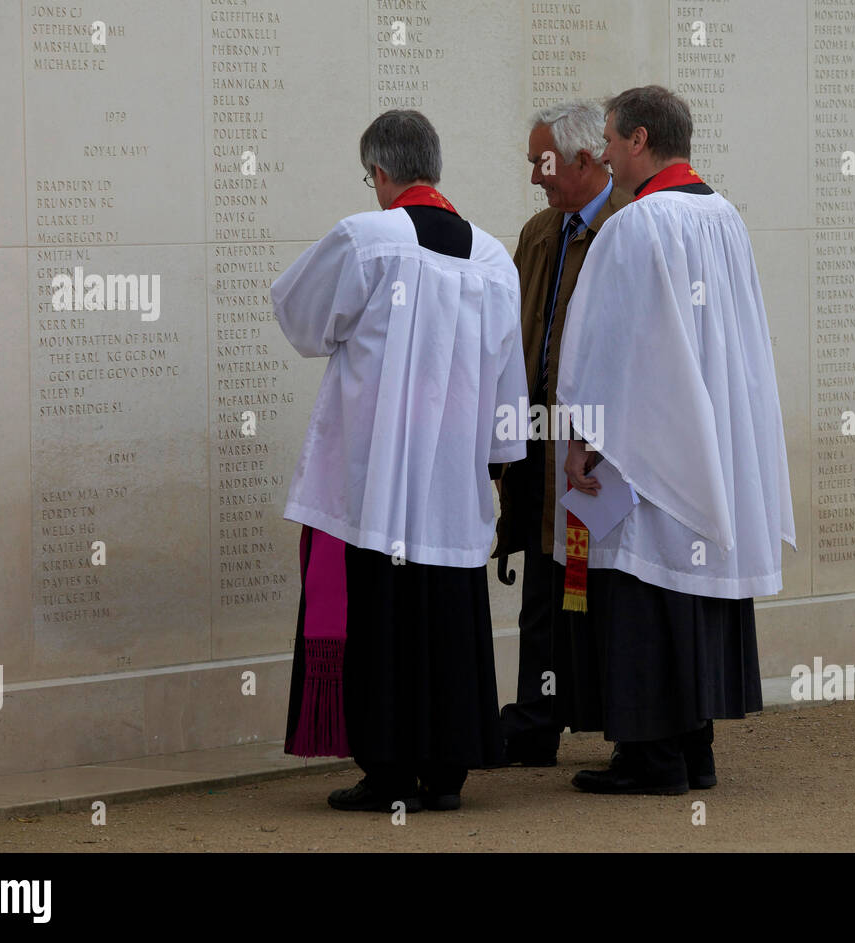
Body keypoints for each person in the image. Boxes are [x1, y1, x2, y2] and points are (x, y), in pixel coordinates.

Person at [273, 109, 527, 812]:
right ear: (433, 167)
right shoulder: (492, 257)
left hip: (375, 471)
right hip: (450, 475)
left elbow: (300, 318)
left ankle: (388, 771)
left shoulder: (367, 237)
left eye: (370, 177)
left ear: (381, 173)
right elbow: (510, 375)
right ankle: (446, 771)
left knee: (381, 619)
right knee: (446, 615)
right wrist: (499, 460)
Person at [554, 85, 796, 795]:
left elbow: (602, 342)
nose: (600, 152)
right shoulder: (725, 216)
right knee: (687, 586)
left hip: (651, 441)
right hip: (712, 432)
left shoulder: (636, 226)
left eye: (607, 137)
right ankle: (695, 748)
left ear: (637, 139)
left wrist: (581, 436)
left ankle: (652, 757)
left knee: (643, 583)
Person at [491, 100, 630, 766]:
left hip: (597, 445)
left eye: (542, 164)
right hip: (541, 441)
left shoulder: (627, 228)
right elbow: (517, 333)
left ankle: (614, 714)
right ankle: (536, 716)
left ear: (583, 159)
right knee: (545, 585)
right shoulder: (539, 231)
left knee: (600, 583)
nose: (535, 178)